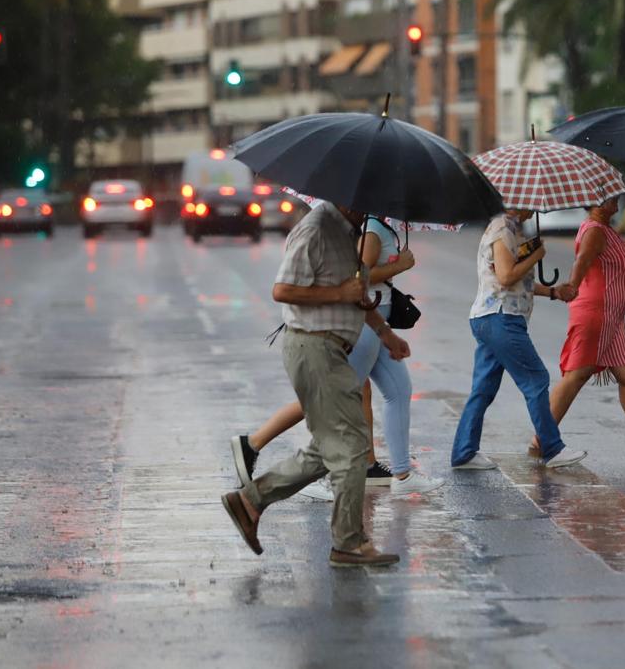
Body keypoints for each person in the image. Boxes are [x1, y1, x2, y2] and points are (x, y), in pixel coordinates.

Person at [221, 201, 409, 566]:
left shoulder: (349, 231)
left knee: (329, 448)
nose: (371, 204)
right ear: (345, 195)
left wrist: (386, 334)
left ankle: (249, 501)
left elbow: (356, 293)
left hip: (332, 347)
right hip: (314, 346)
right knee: (352, 445)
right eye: (365, 196)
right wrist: (339, 294)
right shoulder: (317, 228)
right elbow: (284, 289)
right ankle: (348, 543)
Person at [230, 216, 441, 499]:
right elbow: (358, 276)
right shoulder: (372, 230)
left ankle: (403, 474)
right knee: (330, 398)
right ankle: (262, 448)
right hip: (363, 326)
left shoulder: (380, 227)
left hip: (377, 323)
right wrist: (398, 266)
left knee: (398, 390)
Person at [529, 196, 625, 464]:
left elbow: (612, 266)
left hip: (612, 319)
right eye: (612, 200)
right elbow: (583, 261)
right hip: (596, 315)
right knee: (577, 375)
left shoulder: (606, 230)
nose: (617, 204)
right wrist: (571, 287)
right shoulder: (595, 231)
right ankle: (541, 439)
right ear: (597, 203)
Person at [450, 208, 588, 470]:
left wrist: (554, 292)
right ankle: (552, 448)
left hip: (490, 317)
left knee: (483, 388)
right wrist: (536, 255)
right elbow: (505, 277)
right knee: (536, 379)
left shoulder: (511, 230)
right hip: (501, 317)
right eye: (530, 204)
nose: (534, 208)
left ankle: (464, 452)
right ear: (515, 202)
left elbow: (517, 280)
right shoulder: (502, 229)